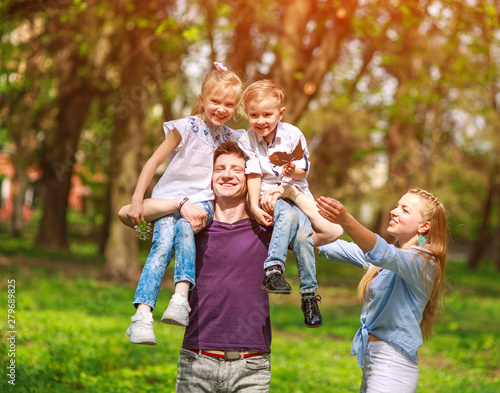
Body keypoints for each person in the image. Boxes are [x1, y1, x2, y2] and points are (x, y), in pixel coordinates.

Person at [119, 63, 244, 345]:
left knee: (186, 229)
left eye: (229, 104)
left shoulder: (233, 139)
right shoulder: (184, 127)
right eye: (215, 101)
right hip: (168, 201)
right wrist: (138, 199)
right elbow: (153, 162)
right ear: (202, 99)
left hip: (202, 203)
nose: (221, 108)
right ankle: (142, 315)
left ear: (235, 107)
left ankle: (180, 297)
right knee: (162, 245)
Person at [315, 189, 448, 393]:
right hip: (376, 360)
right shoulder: (392, 258)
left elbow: (382, 254)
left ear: (424, 226)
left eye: (405, 210)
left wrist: (346, 220)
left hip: (392, 366)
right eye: (397, 206)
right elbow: (335, 247)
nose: (394, 211)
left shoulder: (423, 261)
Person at [237, 79, 322, 328]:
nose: (260, 120)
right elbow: (252, 174)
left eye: (267, 114)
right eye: (254, 115)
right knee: (286, 214)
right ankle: (273, 269)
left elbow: (302, 172)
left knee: (305, 237)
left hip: (296, 193)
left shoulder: (293, 134)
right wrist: (253, 205)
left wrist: (290, 170)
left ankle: (309, 296)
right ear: (247, 114)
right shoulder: (248, 140)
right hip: (267, 196)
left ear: (280, 113)